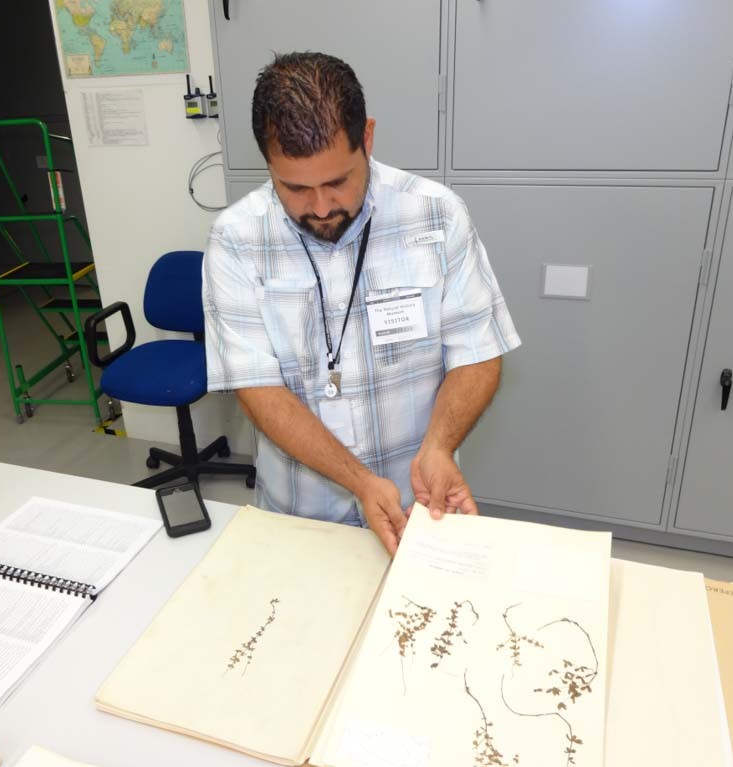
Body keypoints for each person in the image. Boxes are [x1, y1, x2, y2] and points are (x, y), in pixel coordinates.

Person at [202, 52, 520, 555]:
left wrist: (438, 446)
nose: (323, 208)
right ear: (267, 161)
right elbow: (257, 387)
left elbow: (478, 352)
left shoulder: (436, 216)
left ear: (366, 138)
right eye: (296, 189)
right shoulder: (237, 239)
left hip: (419, 507)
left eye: (337, 181)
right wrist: (359, 481)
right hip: (298, 518)